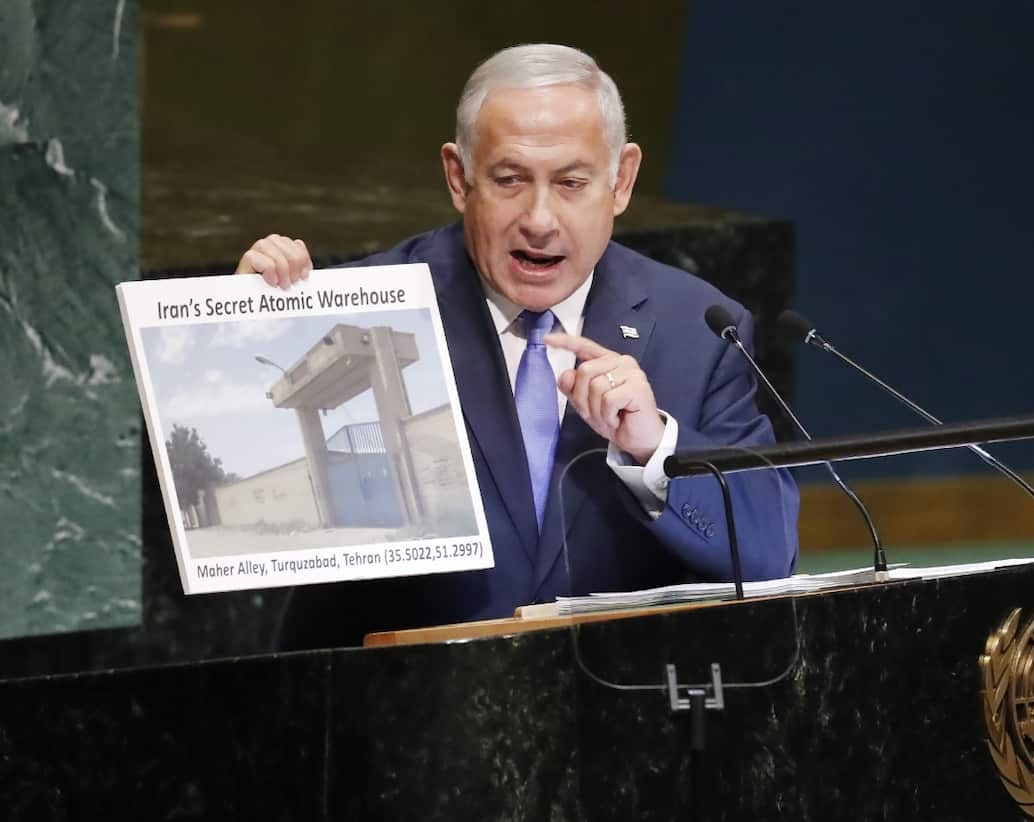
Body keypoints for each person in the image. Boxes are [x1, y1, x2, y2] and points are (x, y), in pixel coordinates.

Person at [236, 44, 799, 648]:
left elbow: (768, 551)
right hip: (400, 713)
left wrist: (654, 448)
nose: (539, 218)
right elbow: (244, 518)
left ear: (621, 180)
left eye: (571, 183)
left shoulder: (699, 327)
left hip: (616, 714)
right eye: (509, 180)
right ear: (459, 178)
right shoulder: (360, 310)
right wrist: (242, 335)